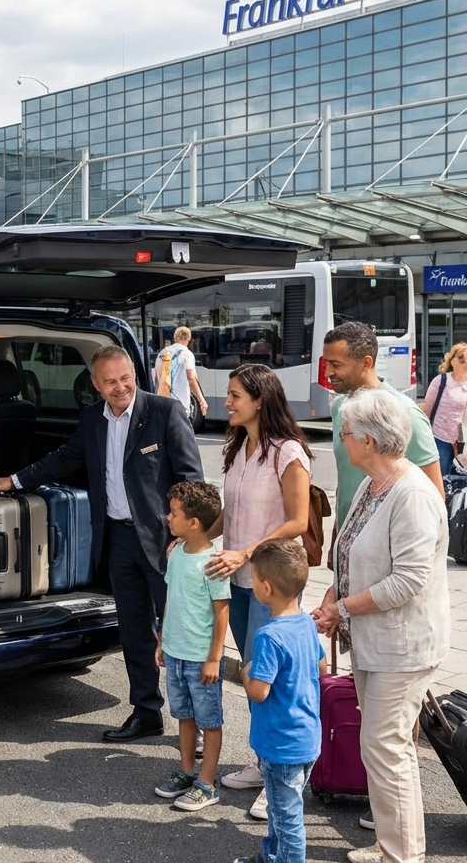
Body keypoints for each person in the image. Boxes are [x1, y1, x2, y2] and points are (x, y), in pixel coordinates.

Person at [0, 345, 203, 743]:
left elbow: (193, 482)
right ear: (95, 384)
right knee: (134, 631)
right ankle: (146, 712)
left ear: (133, 375)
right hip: (117, 538)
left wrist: (185, 539)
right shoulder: (92, 419)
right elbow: (63, 458)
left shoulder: (164, 412)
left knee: (180, 633)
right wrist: (16, 482)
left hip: (165, 544)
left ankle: (197, 721)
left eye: (125, 378)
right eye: (110, 381)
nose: (120, 387)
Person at [311, 386, 449, 863]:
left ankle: (402, 855)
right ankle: (393, 846)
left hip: (403, 646)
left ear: (368, 441)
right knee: (384, 749)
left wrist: (342, 608)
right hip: (376, 642)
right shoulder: (373, 484)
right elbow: (348, 553)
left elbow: (408, 581)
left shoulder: (411, 494)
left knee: (386, 750)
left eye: (345, 433)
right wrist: (333, 594)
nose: (340, 440)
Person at [204, 363, 311, 820]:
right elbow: (232, 510)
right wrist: (198, 537)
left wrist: (245, 552)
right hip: (241, 580)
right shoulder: (240, 446)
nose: (225, 403)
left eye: (233, 396)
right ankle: (267, 762)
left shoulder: (288, 452)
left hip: (272, 583)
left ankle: (284, 778)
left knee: (270, 684)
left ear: (259, 400)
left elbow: (297, 522)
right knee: (252, 680)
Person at [235, 539, 325, 863]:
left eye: (255, 578)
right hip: (306, 737)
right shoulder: (305, 624)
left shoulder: (269, 635)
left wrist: (246, 671)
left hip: (280, 743)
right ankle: (269, 857)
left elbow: (259, 691)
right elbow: (321, 667)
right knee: (280, 808)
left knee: (287, 821)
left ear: (266, 588)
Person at [322, 321, 442, 531]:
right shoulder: (340, 408)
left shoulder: (405, 413)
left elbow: (434, 496)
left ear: (366, 363)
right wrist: (338, 534)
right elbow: (347, 479)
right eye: (326, 364)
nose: (327, 373)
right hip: (348, 541)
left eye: (336, 365)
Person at [154, 481, 229, 811]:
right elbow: (171, 598)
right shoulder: (176, 554)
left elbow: (221, 612)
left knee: (209, 722)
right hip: (175, 652)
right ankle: (186, 771)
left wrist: (214, 658)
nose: (168, 518)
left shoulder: (214, 562)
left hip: (201, 659)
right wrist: (162, 640)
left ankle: (207, 783)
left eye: (174, 513)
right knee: (184, 716)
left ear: (194, 523)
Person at [421, 341, 467, 476]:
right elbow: (426, 410)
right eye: (461, 358)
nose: (465, 362)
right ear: (452, 360)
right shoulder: (440, 381)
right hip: (440, 438)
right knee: (441, 477)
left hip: (462, 442)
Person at [154, 326, 208, 418]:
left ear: (175, 338)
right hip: (179, 405)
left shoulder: (162, 353)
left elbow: (156, 378)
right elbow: (191, 378)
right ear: (189, 338)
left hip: (162, 403)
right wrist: (201, 400)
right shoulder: (187, 354)